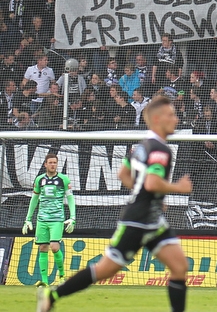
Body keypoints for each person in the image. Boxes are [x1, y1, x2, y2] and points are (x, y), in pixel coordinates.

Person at [37, 95, 193, 312]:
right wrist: (178, 188)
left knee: (179, 266)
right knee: (104, 270)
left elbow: (124, 174)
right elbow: (151, 181)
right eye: (171, 115)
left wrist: (149, 197)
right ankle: (52, 296)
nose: (176, 119)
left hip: (152, 218)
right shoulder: (159, 150)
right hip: (137, 221)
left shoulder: (143, 146)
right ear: (157, 119)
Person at [23, 152, 75, 287]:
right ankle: (45, 282)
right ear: (45, 164)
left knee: (54, 246)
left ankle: (62, 276)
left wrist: (72, 217)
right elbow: (34, 199)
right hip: (42, 219)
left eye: (55, 163)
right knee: (43, 248)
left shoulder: (63, 179)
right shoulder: (39, 180)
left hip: (57, 219)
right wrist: (28, 219)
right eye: (50, 162)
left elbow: (70, 198)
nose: (53, 165)